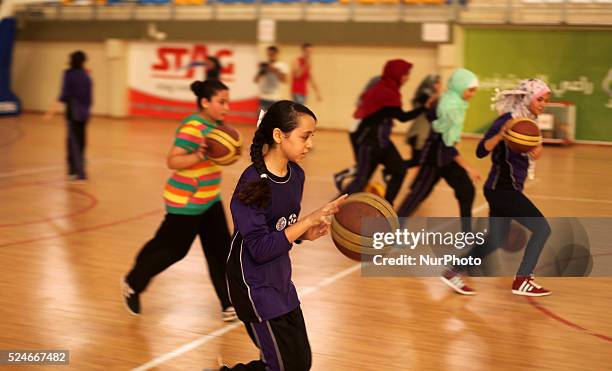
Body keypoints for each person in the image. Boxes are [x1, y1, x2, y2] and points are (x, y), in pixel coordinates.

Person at [223, 100, 346, 371]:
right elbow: (259, 248)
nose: (310, 144)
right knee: (282, 367)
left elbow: (279, 227)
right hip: (252, 285)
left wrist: (306, 234)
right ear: (279, 135)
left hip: (280, 279)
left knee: (299, 364)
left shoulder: (296, 175)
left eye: (312, 136)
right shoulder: (253, 182)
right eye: (305, 136)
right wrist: (305, 222)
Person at [122, 80, 237, 321]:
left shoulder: (217, 126)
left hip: (209, 198)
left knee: (221, 251)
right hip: (186, 201)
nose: (227, 107)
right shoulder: (193, 127)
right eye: (221, 102)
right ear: (205, 102)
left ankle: (228, 303)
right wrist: (200, 154)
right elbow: (173, 161)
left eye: (228, 101)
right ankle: (133, 282)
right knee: (171, 250)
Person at [441, 78, 552, 297]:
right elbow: (481, 150)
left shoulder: (527, 122)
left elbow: (533, 153)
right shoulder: (507, 120)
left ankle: (453, 271)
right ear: (528, 97)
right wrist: (501, 134)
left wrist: (534, 148)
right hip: (502, 189)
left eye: (546, 100)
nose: (543, 104)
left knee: (495, 240)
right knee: (542, 229)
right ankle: (523, 280)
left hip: (505, 189)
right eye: (540, 99)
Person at [396, 68, 481, 235]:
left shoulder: (450, 100)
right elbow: (447, 145)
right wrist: (468, 167)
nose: (472, 94)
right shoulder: (450, 108)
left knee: (466, 191)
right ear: (459, 87)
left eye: (474, 90)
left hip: (445, 158)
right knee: (417, 195)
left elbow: (430, 116)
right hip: (434, 158)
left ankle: (466, 235)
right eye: (470, 90)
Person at [340, 59, 432, 204]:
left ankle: (386, 207)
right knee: (360, 182)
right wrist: (424, 107)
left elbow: (386, 114)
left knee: (399, 170)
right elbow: (402, 117)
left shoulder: (388, 89)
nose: (407, 77)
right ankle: (329, 211)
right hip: (370, 143)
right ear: (397, 74)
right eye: (405, 74)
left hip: (381, 142)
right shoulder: (385, 91)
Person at [45, 50, 93, 182]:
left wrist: (51, 111)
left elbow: (64, 94)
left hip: (73, 113)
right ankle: (77, 169)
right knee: (81, 141)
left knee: (73, 143)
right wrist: (87, 112)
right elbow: (90, 98)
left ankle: (77, 173)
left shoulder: (68, 74)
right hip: (85, 114)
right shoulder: (87, 76)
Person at [404, 74, 441, 169]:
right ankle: (391, 168)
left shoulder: (429, 95)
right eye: (437, 83)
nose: (439, 85)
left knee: (418, 161)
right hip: (418, 135)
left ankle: (391, 169)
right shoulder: (425, 95)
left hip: (423, 135)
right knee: (417, 161)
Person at [254, 46, 288, 112]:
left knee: (273, 119)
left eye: (272, 54)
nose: (270, 56)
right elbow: (256, 80)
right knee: (261, 119)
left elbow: (285, 80)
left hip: (275, 97)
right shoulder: (264, 65)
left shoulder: (282, 65)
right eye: (269, 54)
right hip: (263, 96)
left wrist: (275, 70)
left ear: (277, 54)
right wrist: (262, 71)